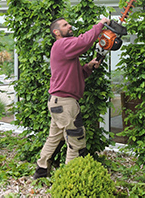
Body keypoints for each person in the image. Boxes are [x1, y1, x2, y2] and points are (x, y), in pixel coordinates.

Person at [32, 16, 110, 179]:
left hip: (57, 102)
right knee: (76, 141)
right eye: (65, 25)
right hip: (65, 103)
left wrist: (87, 67)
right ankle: (71, 179)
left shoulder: (65, 50)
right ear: (56, 32)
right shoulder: (61, 44)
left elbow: (76, 75)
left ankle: (40, 173)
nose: (70, 26)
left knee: (54, 139)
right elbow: (84, 41)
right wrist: (101, 24)